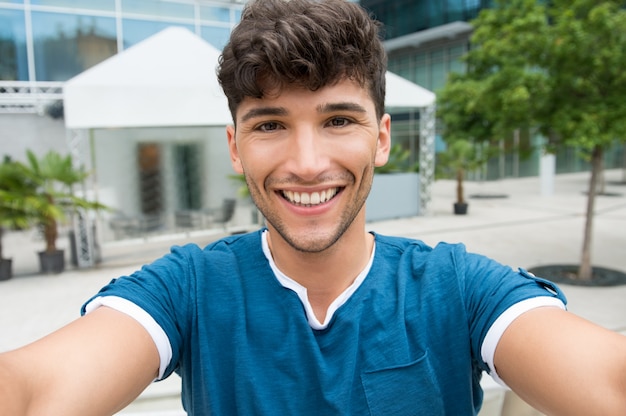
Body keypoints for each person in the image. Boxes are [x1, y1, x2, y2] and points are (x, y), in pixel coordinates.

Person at [1, 0, 626, 414]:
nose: (306, 162)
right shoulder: (186, 290)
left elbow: (607, 379)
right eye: (271, 124)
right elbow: (31, 393)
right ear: (236, 146)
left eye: (337, 120)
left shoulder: (456, 288)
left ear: (381, 138)